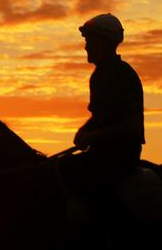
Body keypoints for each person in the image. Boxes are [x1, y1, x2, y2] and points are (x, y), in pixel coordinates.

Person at [58, 13, 145, 224]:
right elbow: (99, 117)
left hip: (121, 154)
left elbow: (132, 128)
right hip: (103, 151)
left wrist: (93, 135)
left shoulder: (122, 74)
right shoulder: (100, 75)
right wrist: (84, 130)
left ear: (104, 42)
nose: (86, 47)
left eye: (89, 41)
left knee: (81, 178)